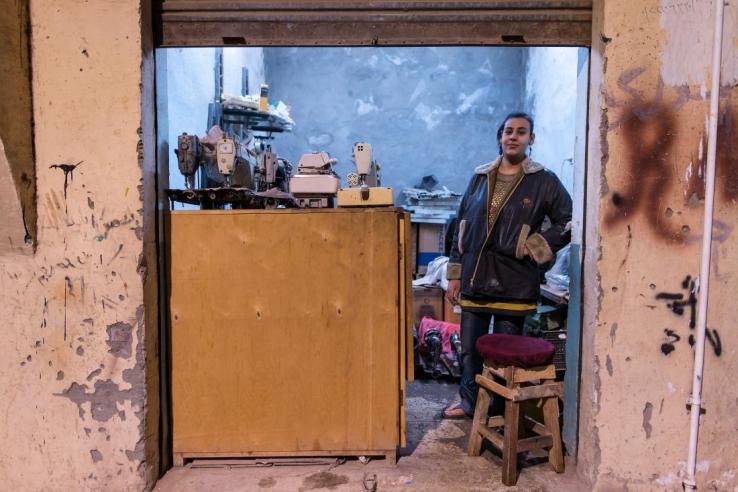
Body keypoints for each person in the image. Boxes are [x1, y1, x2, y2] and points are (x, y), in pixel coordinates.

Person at [442, 112, 572, 419]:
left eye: (521, 132)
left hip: (514, 281)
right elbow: (461, 227)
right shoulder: (480, 177)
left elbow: (567, 221)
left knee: (503, 353)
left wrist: (532, 247)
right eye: (508, 131)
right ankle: (469, 402)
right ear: (500, 137)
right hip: (476, 275)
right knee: (470, 349)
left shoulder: (544, 180)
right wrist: (455, 274)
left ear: (531, 139)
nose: (513, 136)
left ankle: (498, 410)